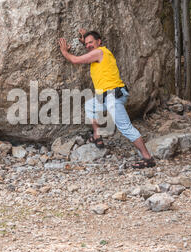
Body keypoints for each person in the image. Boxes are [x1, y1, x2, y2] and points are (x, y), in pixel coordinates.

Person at [58, 29, 155, 169]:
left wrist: (65, 52)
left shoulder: (100, 52)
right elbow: (90, 50)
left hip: (113, 96)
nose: (88, 45)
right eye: (86, 44)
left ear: (99, 41)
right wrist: (86, 40)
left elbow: (75, 60)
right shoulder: (97, 53)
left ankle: (147, 157)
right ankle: (97, 135)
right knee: (90, 106)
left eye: (91, 42)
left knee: (125, 128)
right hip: (105, 97)